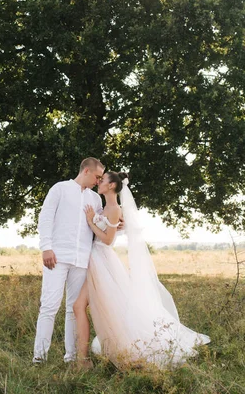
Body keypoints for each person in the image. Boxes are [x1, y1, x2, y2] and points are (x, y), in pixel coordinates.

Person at [73, 171, 211, 370]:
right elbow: (109, 231)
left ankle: (91, 357)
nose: (99, 182)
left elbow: (108, 240)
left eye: (102, 180)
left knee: (106, 306)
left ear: (112, 186)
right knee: (106, 307)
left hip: (102, 259)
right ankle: (91, 354)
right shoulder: (105, 207)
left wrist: (90, 221)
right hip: (96, 259)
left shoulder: (113, 208)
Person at [33, 157, 106, 363]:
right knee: (49, 306)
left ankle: (72, 357)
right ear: (86, 171)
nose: (98, 181)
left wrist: (118, 223)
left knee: (74, 309)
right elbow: (45, 217)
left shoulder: (95, 199)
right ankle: (39, 358)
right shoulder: (60, 189)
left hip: (82, 259)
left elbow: (101, 224)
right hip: (56, 256)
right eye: (97, 177)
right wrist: (46, 247)